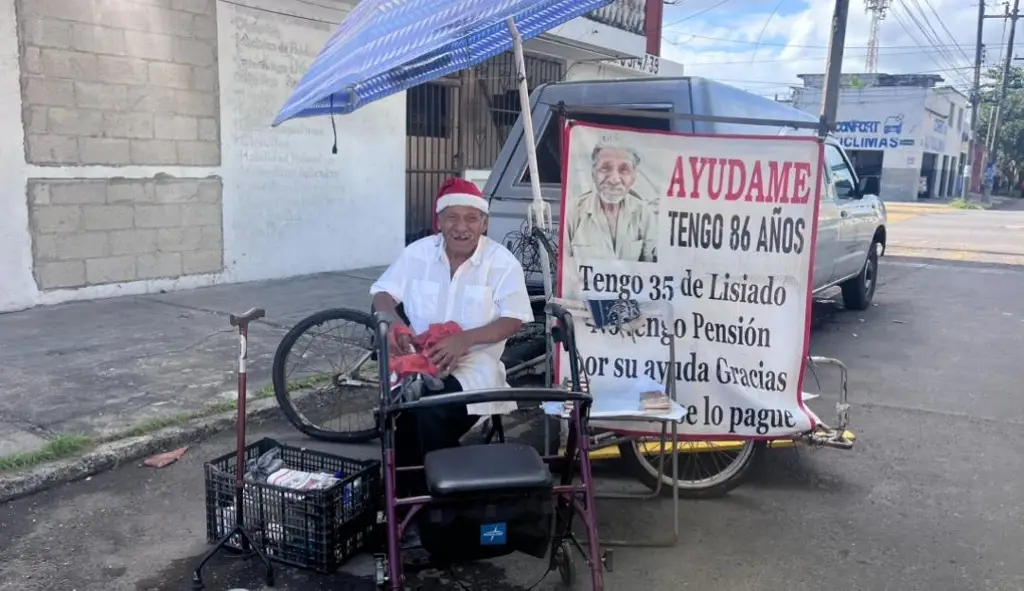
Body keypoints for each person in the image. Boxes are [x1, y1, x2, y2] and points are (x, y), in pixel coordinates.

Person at [370, 177, 534, 499]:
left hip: (475, 370)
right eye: (452, 217)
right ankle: (405, 503)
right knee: (397, 413)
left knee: (429, 413)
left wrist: (464, 340)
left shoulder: (501, 262)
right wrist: (393, 321)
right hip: (417, 362)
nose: (462, 227)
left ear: (484, 223)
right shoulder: (418, 254)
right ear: (439, 222)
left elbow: (514, 319)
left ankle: (440, 502)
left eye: (471, 218)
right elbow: (383, 293)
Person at [564, 142, 658, 263]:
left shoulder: (643, 213)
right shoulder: (573, 211)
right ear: (593, 174)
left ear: (633, 177)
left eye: (624, 170)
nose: (614, 179)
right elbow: (565, 269)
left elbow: (649, 268)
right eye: (605, 168)